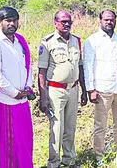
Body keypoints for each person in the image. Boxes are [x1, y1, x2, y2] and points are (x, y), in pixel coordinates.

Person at [83, 10, 117, 161]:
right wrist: (91, 89)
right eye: (106, 20)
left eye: (111, 20)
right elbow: (87, 66)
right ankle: (99, 156)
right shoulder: (92, 41)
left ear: (115, 21)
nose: (109, 22)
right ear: (100, 21)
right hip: (102, 89)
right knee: (101, 125)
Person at [0, 6, 34, 168]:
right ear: (0, 22)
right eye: (8, 20)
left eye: (14, 20)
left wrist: (27, 87)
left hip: (21, 101)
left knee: (24, 139)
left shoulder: (20, 41)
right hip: (4, 102)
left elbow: (28, 65)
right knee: (7, 143)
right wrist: (14, 93)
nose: (12, 23)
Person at [38, 10, 88, 168]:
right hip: (55, 91)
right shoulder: (47, 42)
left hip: (73, 89)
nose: (67, 24)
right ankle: (54, 162)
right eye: (63, 21)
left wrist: (84, 91)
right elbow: (42, 71)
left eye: (69, 22)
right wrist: (43, 96)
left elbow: (80, 67)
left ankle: (69, 160)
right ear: (55, 23)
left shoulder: (76, 41)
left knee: (70, 127)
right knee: (56, 128)